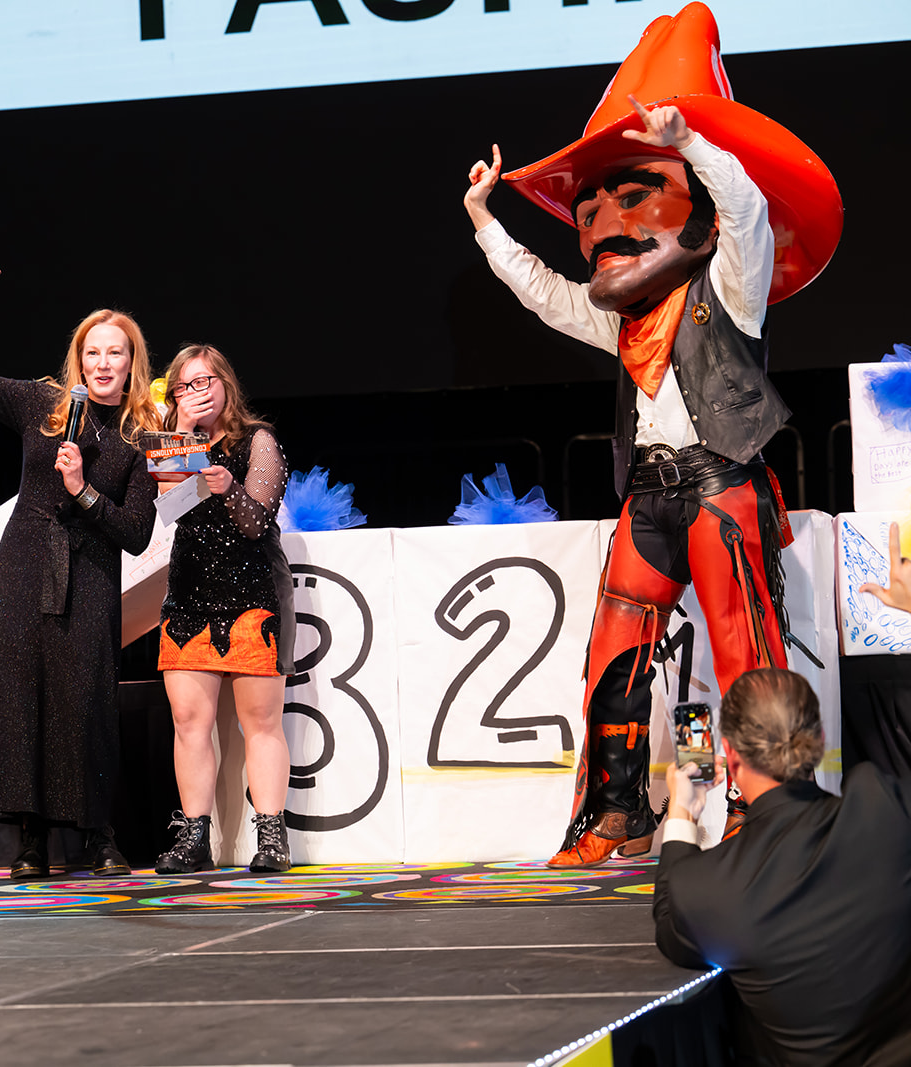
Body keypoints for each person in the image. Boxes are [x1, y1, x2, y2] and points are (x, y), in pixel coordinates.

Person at [461, 3, 842, 867]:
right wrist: (487, 220)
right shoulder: (620, 323)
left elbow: (744, 212)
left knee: (746, 648)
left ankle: (771, 806)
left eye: (632, 198)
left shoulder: (730, 292)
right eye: (590, 211)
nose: (603, 224)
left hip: (720, 485)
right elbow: (547, 293)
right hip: (649, 497)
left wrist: (691, 142)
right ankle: (615, 811)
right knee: (614, 653)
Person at [0, 250, 160, 879]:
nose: (103, 363)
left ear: (132, 363)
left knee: (85, 702)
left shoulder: (144, 434)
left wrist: (81, 491)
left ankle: (97, 835)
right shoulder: (44, 405)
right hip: (22, 570)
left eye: (115, 352)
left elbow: (138, 534)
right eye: (93, 352)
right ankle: (31, 840)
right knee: (21, 698)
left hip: (90, 576)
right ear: (79, 359)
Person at [654, 668, 911, 1066]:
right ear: (819, 740)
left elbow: (671, 926)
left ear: (731, 755)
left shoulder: (707, 887)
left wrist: (683, 809)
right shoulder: (886, 808)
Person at [152, 345, 294, 875]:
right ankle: (194, 839)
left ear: (226, 384)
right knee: (190, 722)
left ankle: (273, 837)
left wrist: (230, 487)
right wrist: (184, 437)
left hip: (252, 595)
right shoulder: (170, 444)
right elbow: (162, 509)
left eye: (206, 380)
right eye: (186, 385)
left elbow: (257, 523)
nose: (199, 391)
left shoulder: (258, 441)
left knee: (261, 723)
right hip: (189, 597)